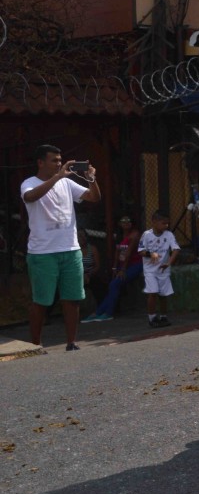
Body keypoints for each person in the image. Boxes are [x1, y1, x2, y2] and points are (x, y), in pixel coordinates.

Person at [21, 145, 101, 349]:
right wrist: (57, 177)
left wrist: (91, 178)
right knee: (42, 301)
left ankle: (71, 342)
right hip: (42, 253)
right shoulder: (29, 183)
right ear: (40, 162)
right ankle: (36, 344)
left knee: (72, 298)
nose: (59, 164)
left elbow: (94, 197)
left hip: (70, 249)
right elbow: (30, 197)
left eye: (60, 160)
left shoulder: (67, 182)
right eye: (54, 160)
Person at [83, 215, 143, 322]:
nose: (126, 223)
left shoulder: (135, 235)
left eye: (128, 221)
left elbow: (128, 253)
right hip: (121, 265)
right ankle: (99, 312)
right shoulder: (119, 235)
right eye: (123, 221)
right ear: (119, 223)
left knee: (114, 284)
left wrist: (123, 269)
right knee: (113, 285)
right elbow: (117, 252)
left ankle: (107, 313)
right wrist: (115, 268)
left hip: (134, 264)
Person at [138, 211, 180, 328]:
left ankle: (163, 316)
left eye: (167, 224)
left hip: (163, 270)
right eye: (163, 223)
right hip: (150, 270)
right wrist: (151, 254)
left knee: (163, 294)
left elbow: (176, 249)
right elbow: (140, 251)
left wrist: (168, 263)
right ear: (154, 222)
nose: (166, 226)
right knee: (153, 292)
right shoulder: (146, 235)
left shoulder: (169, 235)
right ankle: (152, 317)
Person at [78, 228, 105, 312]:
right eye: (79, 236)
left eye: (83, 236)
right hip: (77, 274)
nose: (81, 238)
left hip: (90, 273)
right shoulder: (74, 250)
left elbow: (97, 266)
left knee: (99, 285)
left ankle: (102, 309)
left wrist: (89, 274)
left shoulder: (92, 248)